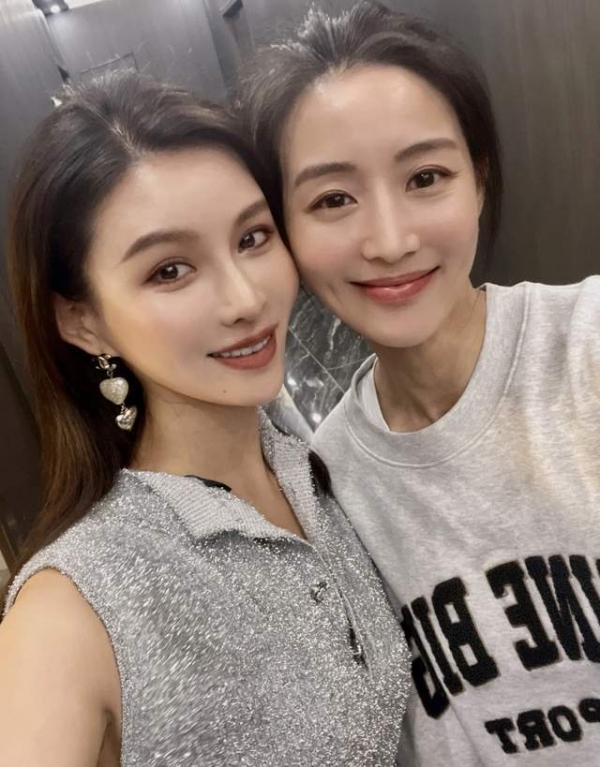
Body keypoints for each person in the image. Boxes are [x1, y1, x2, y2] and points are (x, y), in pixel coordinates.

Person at [0, 73, 410, 767]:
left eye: (253, 237)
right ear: (83, 320)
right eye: (170, 270)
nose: (246, 298)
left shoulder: (312, 467)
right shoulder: (74, 604)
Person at [240, 2, 600, 764]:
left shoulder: (587, 345)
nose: (390, 239)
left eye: (426, 177)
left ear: (479, 180)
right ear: (286, 232)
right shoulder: (325, 486)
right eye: (333, 199)